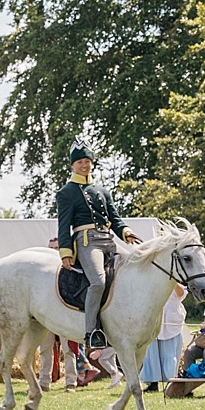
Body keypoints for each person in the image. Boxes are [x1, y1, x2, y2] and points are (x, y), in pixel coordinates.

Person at [55, 138, 139, 351]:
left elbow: (115, 217)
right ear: (72, 165)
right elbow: (63, 225)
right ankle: (92, 331)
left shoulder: (103, 191)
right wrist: (65, 252)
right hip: (87, 242)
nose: (84, 165)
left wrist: (126, 232)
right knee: (98, 282)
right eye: (80, 162)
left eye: (87, 161)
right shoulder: (66, 192)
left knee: (135, 267)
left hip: (108, 239)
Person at [139, 283, 187, 393]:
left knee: (170, 355)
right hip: (154, 321)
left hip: (171, 323)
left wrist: (173, 280)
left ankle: (170, 382)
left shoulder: (179, 282)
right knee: (152, 355)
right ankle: (152, 383)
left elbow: (181, 294)